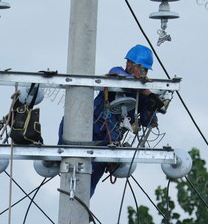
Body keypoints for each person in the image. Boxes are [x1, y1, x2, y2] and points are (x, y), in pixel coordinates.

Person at [57, 44, 167, 198]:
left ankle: (80, 208)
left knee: (88, 185)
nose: (143, 73)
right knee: (70, 168)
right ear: (129, 64)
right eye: (141, 68)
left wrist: (152, 106)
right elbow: (118, 77)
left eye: (146, 70)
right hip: (84, 128)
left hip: (105, 142)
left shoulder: (140, 94)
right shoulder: (118, 74)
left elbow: (147, 120)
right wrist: (150, 93)